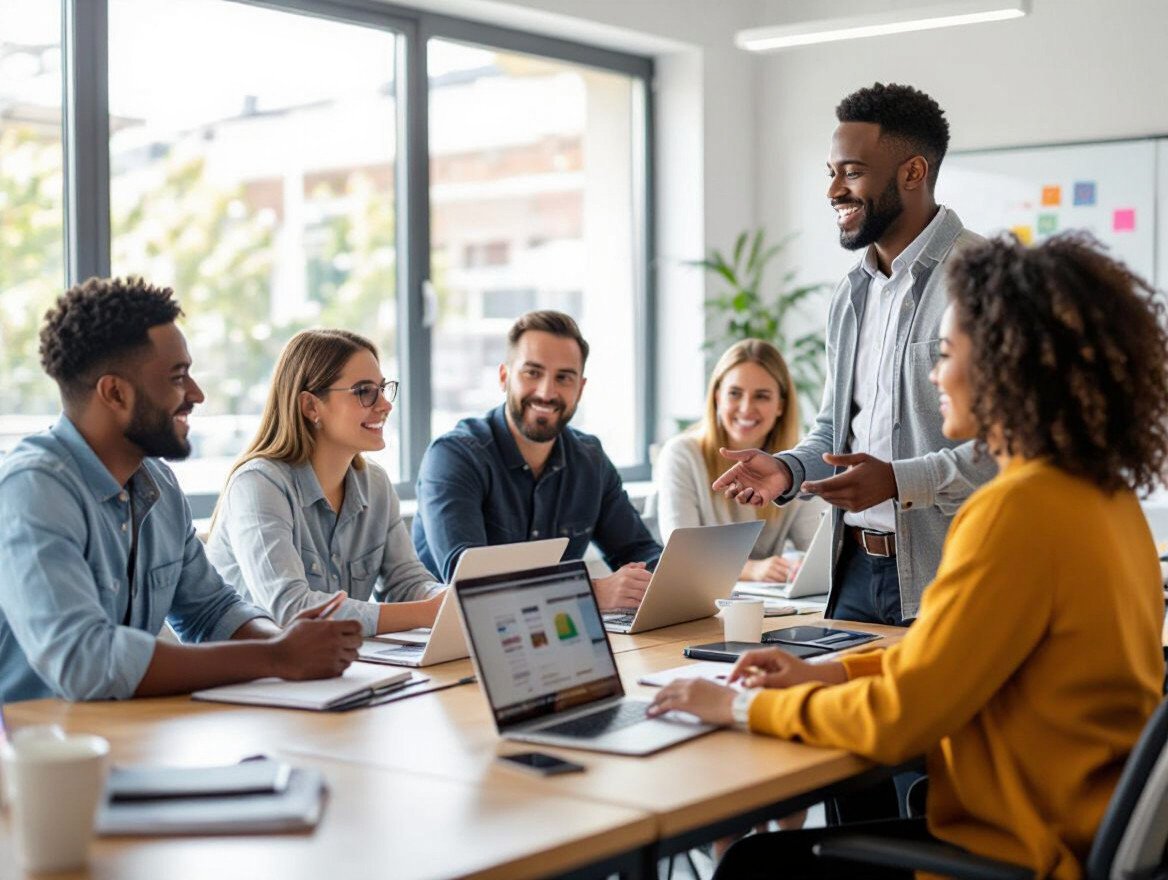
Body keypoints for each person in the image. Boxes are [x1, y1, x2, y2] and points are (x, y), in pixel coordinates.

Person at [647, 233, 1168, 878]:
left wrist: (736, 704)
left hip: (1019, 851)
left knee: (757, 865)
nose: (933, 375)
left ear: (1008, 366)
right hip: (1072, 827)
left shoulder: (1017, 512)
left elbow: (902, 720)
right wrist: (822, 676)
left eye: (946, 354)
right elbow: (937, 670)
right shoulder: (1106, 501)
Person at [0, 278, 362, 704]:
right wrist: (277, 656)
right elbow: (86, 663)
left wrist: (297, 648)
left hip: (128, 740)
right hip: (35, 756)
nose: (197, 394)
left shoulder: (157, 483)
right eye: (178, 377)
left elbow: (211, 611)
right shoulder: (32, 490)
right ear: (115, 393)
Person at [714, 83, 998, 625]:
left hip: (952, 574)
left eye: (852, 172)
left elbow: (1016, 450)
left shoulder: (983, 280)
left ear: (912, 173)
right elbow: (834, 432)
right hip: (852, 574)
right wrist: (787, 469)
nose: (833, 192)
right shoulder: (851, 294)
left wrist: (897, 480)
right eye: (830, 173)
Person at [412, 310, 662, 612]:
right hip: (447, 642)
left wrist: (670, 582)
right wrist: (591, 593)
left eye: (563, 378)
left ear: (580, 389)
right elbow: (470, 584)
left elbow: (638, 551)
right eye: (532, 373)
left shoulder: (589, 459)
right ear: (504, 377)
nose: (546, 392)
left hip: (547, 635)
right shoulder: (454, 456)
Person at [207, 330, 443, 637]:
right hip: (249, 676)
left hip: (331, 670)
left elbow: (406, 582)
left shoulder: (376, 484)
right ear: (311, 407)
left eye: (383, 389)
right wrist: (426, 612)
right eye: (364, 391)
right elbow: (292, 609)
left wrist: (447, 598)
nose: (385, 405)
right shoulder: (258, 485)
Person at [655, 339, 824, 582]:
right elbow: (682, 555)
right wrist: (752, 570)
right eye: (734, 393)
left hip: (770, 606)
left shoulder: (794, 467)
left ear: (780, 406)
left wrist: (797, 566)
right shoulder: (682, 454)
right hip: (700, 599)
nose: (746, 408)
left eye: (762, 396)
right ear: (717, 397)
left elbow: (815, 547)